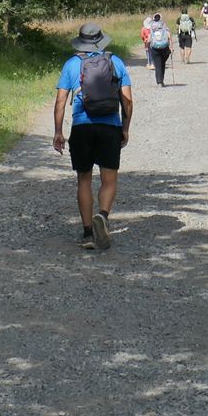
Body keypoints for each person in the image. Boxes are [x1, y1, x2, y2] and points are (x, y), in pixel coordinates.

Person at [53, 23, 133, 250]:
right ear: (100, 41)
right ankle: (103, 217)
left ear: (81, 41)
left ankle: (88, 233)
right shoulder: (115, 62)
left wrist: (58, 131)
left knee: (84, 179)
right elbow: (127, 100)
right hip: (109, 126)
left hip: (82, 128)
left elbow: (60, 101)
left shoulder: (71, 64)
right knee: (109, 179)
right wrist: (125, 127)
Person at [146, 12, 172, 86]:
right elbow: (169, 36)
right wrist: (171, 47)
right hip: (165, 48)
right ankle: (161, 80)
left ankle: (159, 81)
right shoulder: (164, 25)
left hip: (155, 48)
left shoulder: (151, 27)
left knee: (158, 65)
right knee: (162, 64)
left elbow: (148, 39)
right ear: (160, 18)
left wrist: (147, 47)